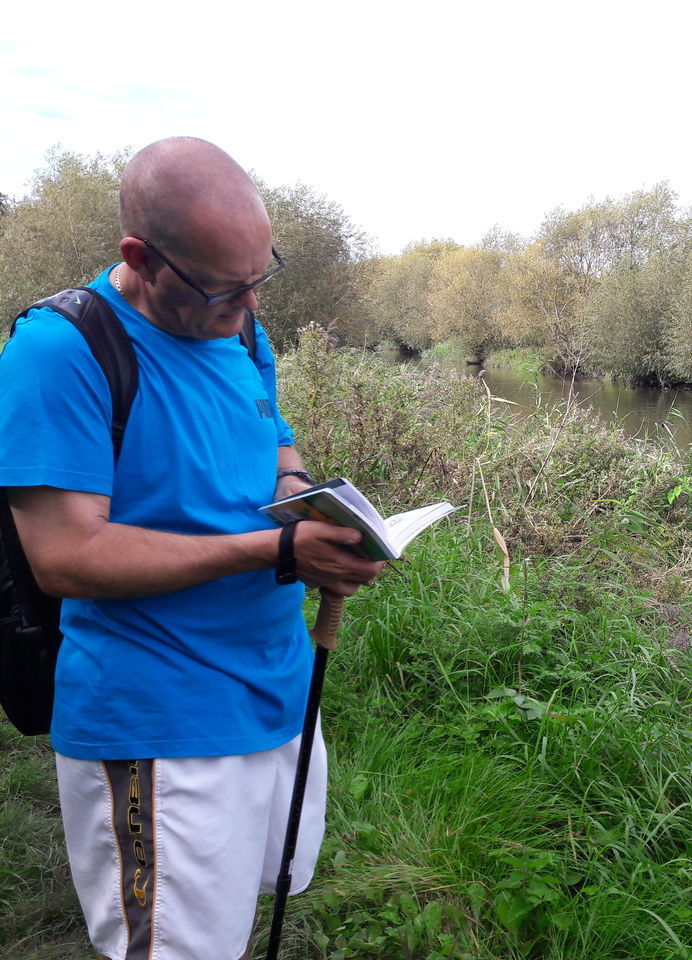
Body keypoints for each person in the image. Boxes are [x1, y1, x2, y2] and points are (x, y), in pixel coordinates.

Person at [0, 137, 382, 960]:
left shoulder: (242, 333)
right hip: (158, 714)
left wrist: (313, 508)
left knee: (249, 910)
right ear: (141, 255)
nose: (246, 305)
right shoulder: (58, 351)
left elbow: (277, 454)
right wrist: (276, 554)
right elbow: (66, 557)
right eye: (223, 286)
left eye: (260, 278)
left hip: (275, 690)